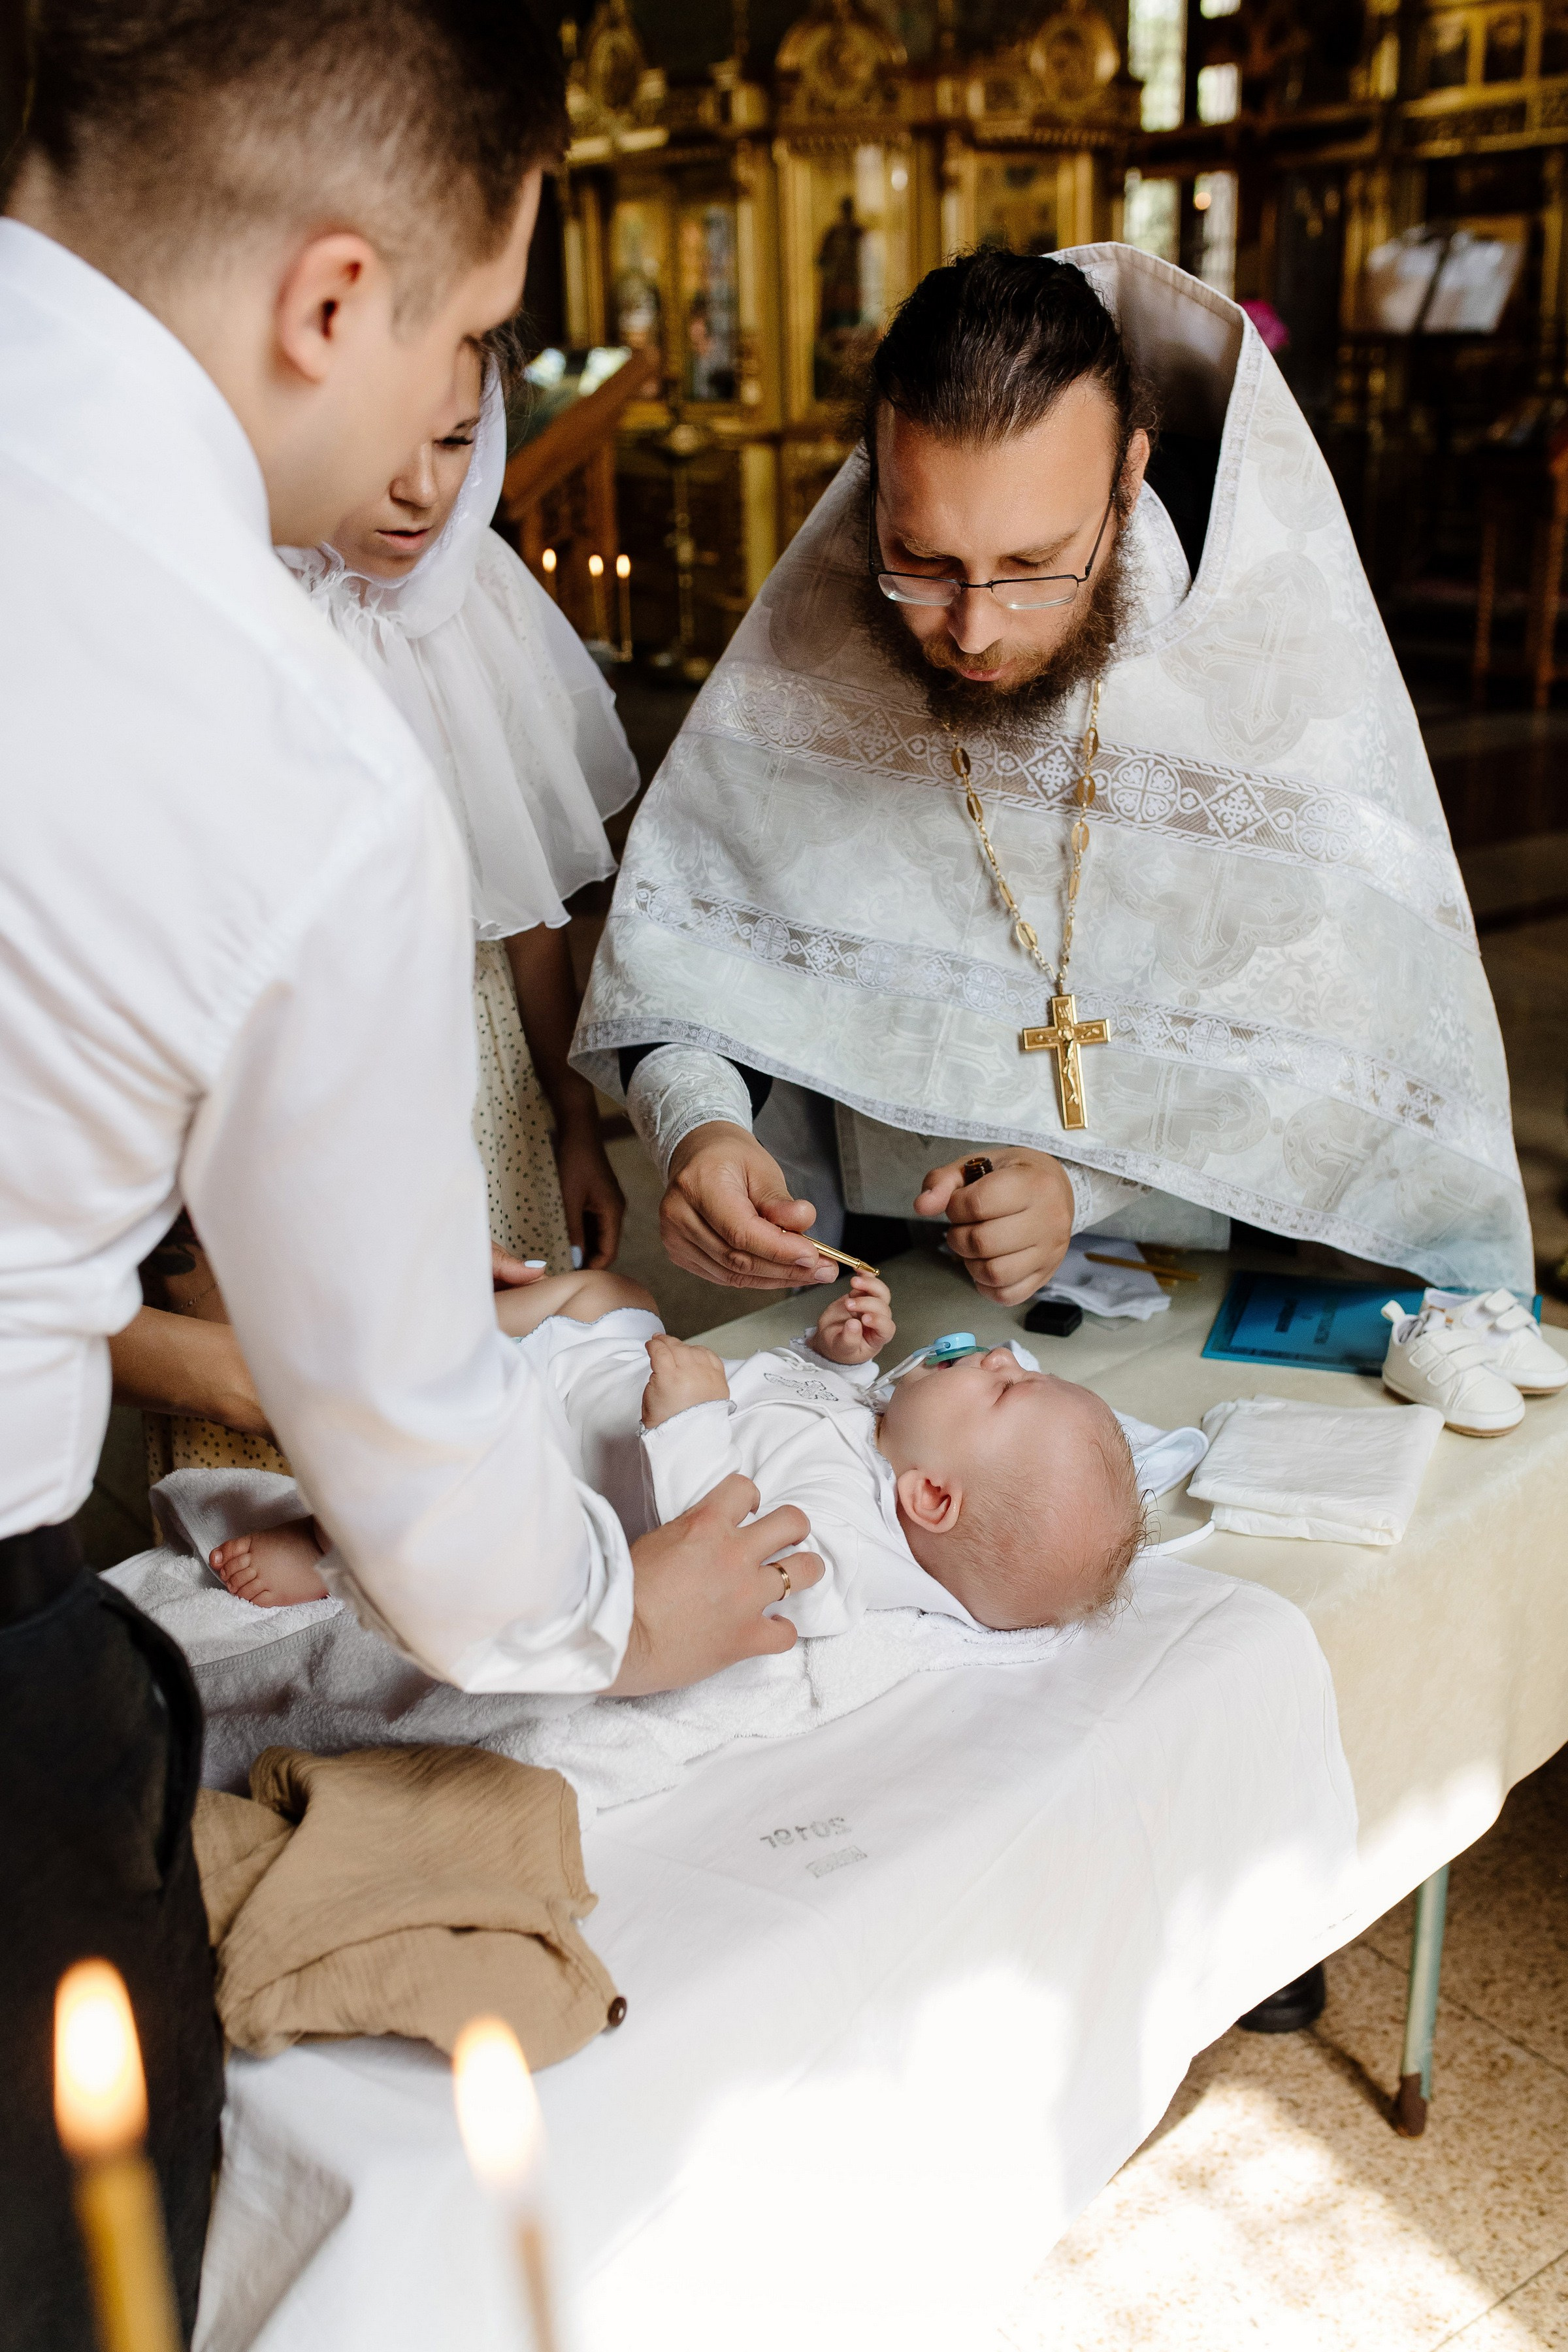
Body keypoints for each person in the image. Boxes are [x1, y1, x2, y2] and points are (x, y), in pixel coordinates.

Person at [0, 6, 817, 2342]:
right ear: (334, 299)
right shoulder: (283, 750)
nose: (453, 420)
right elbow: (437, 1499)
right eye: (471, 336)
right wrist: (607, 1613)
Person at [575, 244, 1532, 1306]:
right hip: (882, 1285)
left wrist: (1084, 1180)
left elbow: (1349, 1041)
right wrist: (698, 1126)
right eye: (923, 558)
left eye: (1034, 566)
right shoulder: (829, 625)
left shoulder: (1263, 669)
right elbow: (696, 949)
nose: (973, 628)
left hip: (1209, 1280)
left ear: (1128, 474)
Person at [210, 1270, 1145, 1634]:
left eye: (1006, 1386)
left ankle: (325, 1547)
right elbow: (789, 1398)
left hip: (548, 1449)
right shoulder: (880, 1422)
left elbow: (744, 1565)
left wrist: (694, 1422)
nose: (994, 1353)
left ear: (931, 1500)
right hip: (606, 1371)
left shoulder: (843, 1538)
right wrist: (828, 1354)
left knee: (422, 1489)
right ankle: (424, 1332)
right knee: (608, 1287)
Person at [281, 333, 636, 1274]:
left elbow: (526, 908)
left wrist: (573, 1122)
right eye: (383, 441)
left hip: (483, 1069)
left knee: (503, 1369)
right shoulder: (236, 614)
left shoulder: (479, 592)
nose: (424, 490)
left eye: (456, 441)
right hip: (297, 1090)